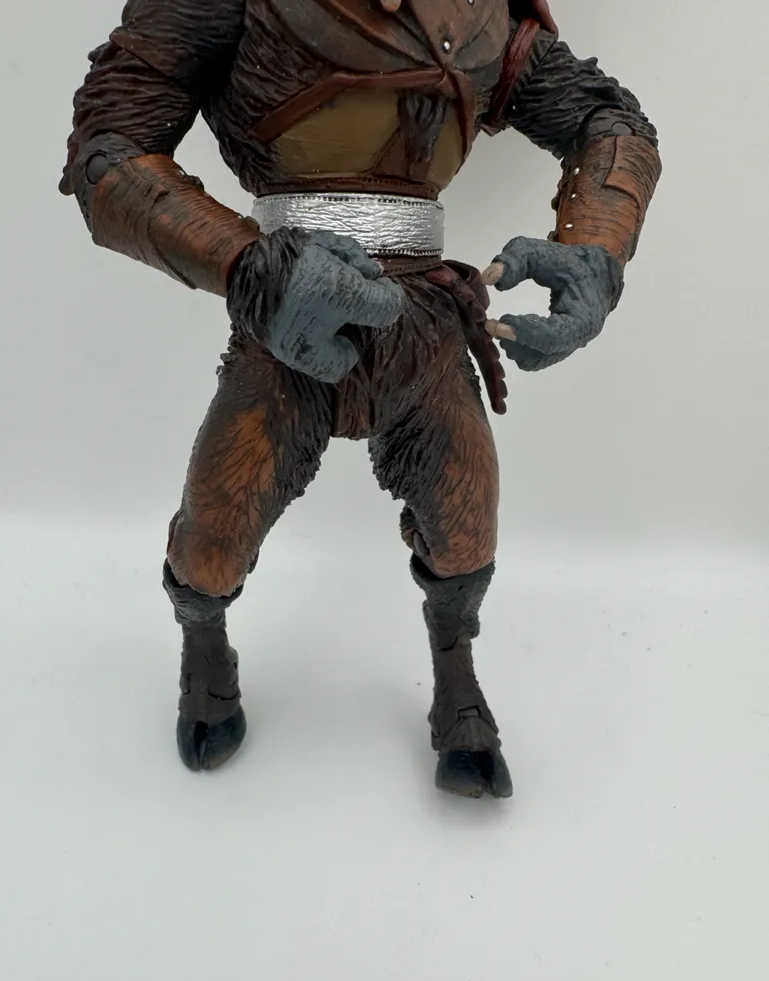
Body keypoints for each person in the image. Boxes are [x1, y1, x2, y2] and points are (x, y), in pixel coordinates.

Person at [60, 0, 661, 798]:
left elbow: (608, 121)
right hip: (284, 326)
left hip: (426, 326)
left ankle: (457, 679)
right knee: (212, 539)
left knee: (466, 531)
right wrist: (248, 266)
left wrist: (595, 250)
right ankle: (204, 651)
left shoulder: (475, 11)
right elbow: (108, 148)